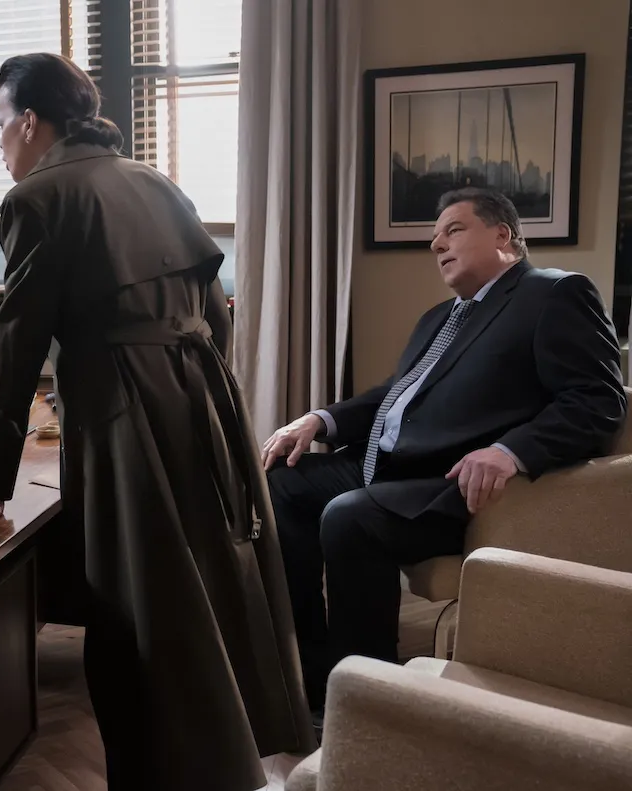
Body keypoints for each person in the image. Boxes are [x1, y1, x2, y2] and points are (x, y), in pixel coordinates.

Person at [0, 53, 315, 790]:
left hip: (126, 416)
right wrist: (201, 386)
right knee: (209, 584)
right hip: (202, 401)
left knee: (129, 605)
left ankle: (152, 770)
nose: (0, 143)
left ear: (29, 123)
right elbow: (216, 309)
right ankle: (228, 758)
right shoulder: (156, 181)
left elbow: (16, 346)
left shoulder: (39, 198)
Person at [262, 187, 627, 718]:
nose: (437, 244)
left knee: (350, 517)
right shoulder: (441, 317)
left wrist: (510, 450)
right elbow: (396, 394)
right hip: (387, 467)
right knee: (281, 479)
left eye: (453, 229)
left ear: (503, 234)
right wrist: (322, 418)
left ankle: (366, 699)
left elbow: (597, 400)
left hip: (456, 483)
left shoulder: (554, 293)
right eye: (435, 236)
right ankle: (316, 672)